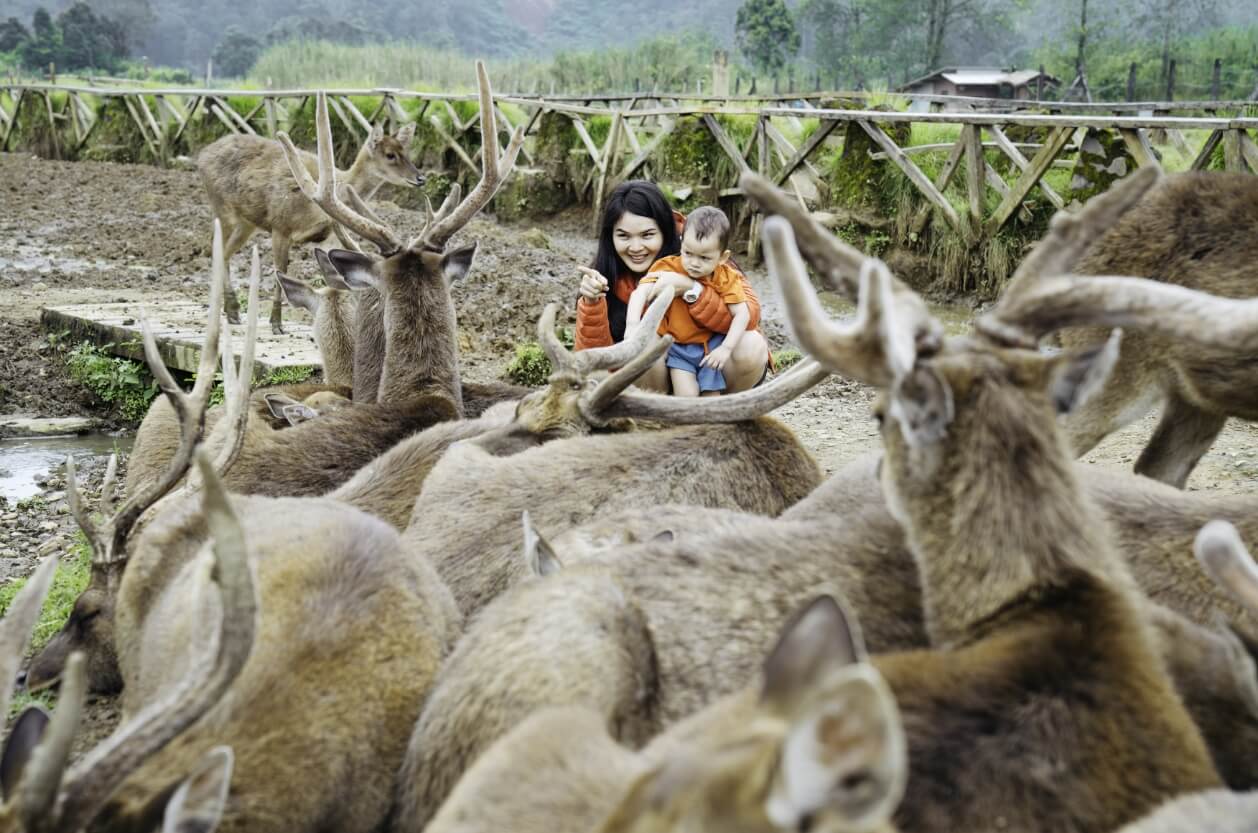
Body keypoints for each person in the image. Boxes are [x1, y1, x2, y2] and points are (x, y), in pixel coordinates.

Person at [574, 180, 769, 393]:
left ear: (666, 231)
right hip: (656, 379)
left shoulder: (704, 251)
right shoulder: (605, 275)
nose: (636, 247)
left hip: (712, 359)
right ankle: (657, 414)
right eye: (623, 236)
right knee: (642, 337)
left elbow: (750, 316)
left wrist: (692, 289)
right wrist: (592, 304)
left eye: (647, 235)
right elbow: (593, 365)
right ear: (610, 236)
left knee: (751, 343)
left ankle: (722, 412)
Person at [625, 206, 748, 396]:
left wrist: (726, 348)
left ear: (723, 257)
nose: (694, 263)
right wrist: (632, 326)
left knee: (711, 399)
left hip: (711, 348)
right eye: (688, 253)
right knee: (686, 396)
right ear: (681, 244)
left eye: (704, 258)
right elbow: (639, 293)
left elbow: (742, 313)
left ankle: (712, 423)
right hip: (679, 348)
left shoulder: (726, 277)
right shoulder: (668, 267)